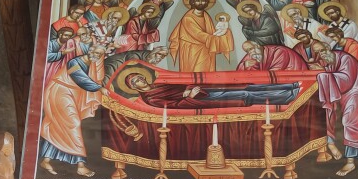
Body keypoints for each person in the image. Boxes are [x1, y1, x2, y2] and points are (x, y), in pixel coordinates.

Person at [316, 46, 358, 175]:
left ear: (328, 50)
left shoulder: (345, 58)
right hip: (347, 94)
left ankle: (350, 163)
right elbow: (328, 71)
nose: (323, 58)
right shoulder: (329, 60)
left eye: (323, 54)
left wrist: (324, 76)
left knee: (349, 121)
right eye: (320, 56)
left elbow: (346, 80)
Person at [39, 43, 106, 178]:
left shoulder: (91, 64)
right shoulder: (74, 62)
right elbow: (79, 77)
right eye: (96, 53)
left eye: (99, 55)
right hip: (60, 92)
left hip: (71, 94)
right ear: (90, 50)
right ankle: (80, 165)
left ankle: (46, 160)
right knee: (73, 124)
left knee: (59, 127)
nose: (97, 56)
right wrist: (99, 88)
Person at [116, 64, 299, 109]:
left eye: (140, 77)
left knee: (247, 86)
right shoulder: (150, 98)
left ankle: (289, 86)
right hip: (200, 100)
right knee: (244, 95)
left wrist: (189, 88)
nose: (142, 80)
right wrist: (189, 96)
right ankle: (286, 97)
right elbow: (173, 106)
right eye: (137, 81)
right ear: (135, 87)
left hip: (201, 90)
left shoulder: (158, 83)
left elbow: (180, 86)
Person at [168, 0, 234, 71]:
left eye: (203, 0)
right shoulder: (187, 18)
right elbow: (197, 34)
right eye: (198, 0)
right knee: (196, 71)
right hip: (192, 49)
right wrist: (214, 39)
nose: (200, 2)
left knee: (207, 72)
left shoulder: (206, 16)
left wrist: (225, 33)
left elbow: (212, 32)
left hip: (206, 47)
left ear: (206, 3)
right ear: (192, 2)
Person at [236, 39, 309, 72]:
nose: (250, 52)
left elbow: (277, 71)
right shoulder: (253, 54)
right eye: (247, 51)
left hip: (294, 78)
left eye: (251, 48)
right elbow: (239, 71)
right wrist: (245, 65)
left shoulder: (279, 51)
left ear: (257, 45)